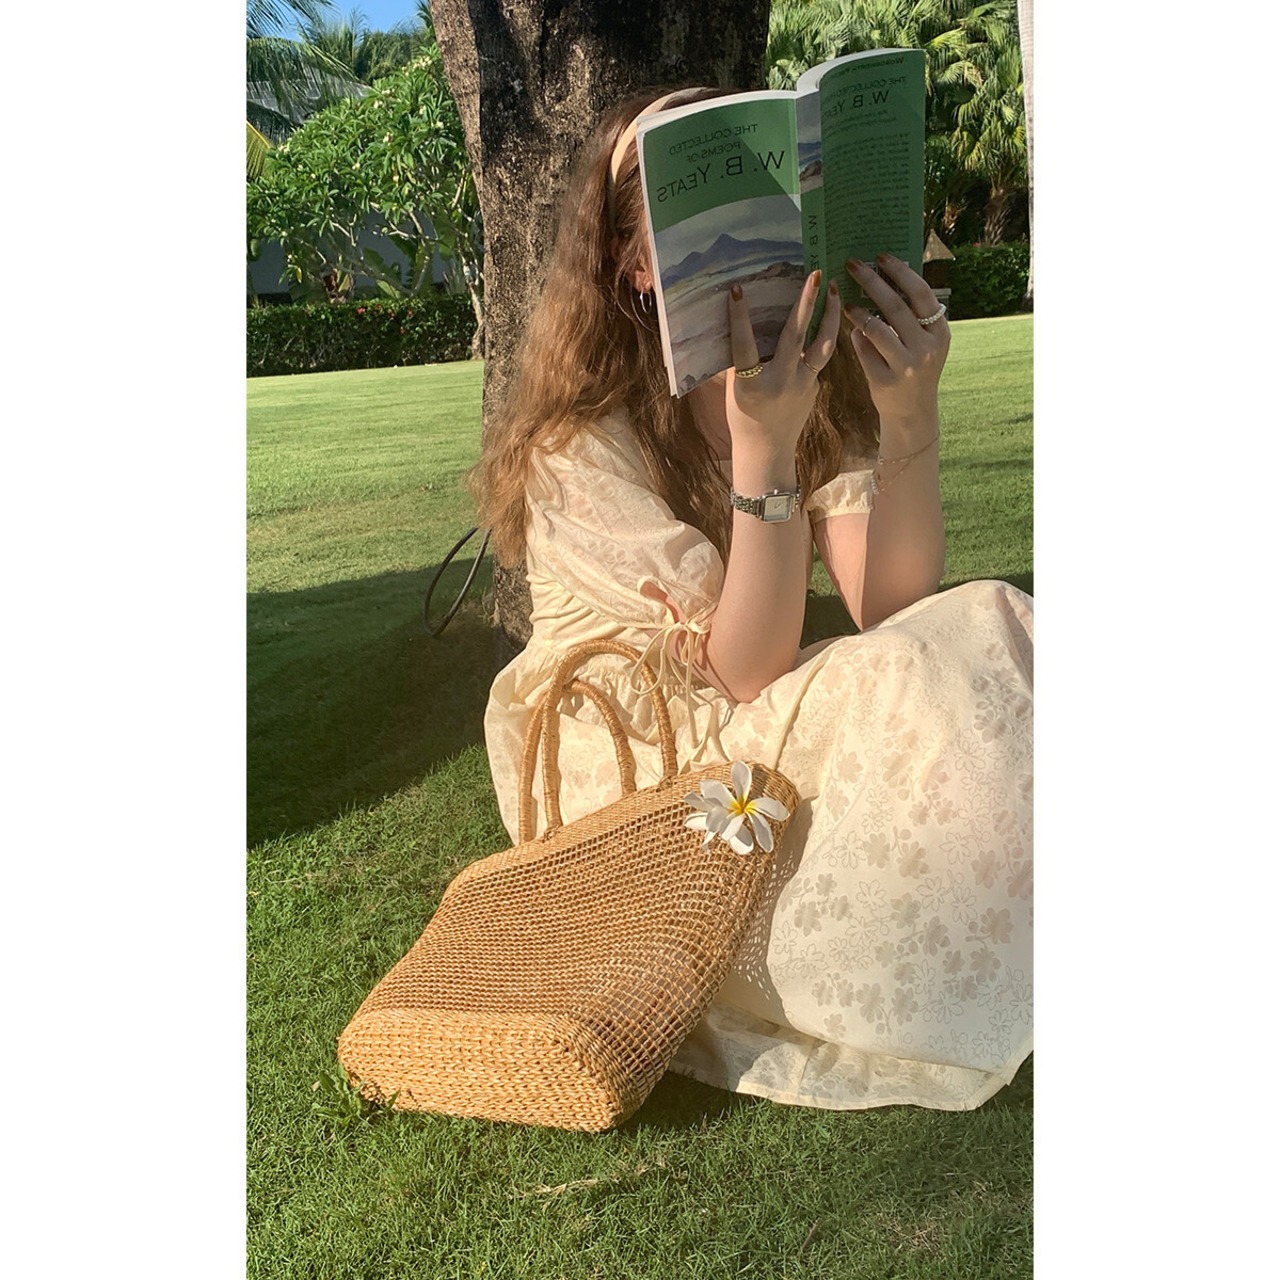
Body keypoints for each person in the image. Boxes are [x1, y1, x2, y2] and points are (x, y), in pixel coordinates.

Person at [471, 87, 1032, 1111]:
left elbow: (891, 606)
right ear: (635, 264)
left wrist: (909, 416)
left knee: (983, 626)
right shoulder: (578, 447)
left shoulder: (797, 378)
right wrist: (764, 453)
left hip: (737, 711)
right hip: (633, 767)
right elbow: (740, 670)